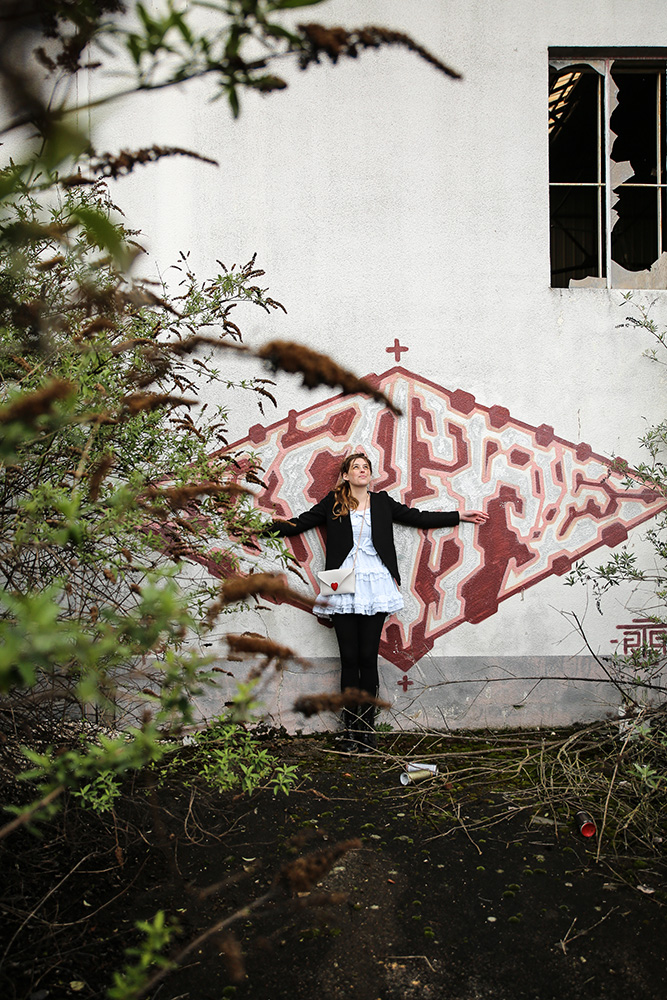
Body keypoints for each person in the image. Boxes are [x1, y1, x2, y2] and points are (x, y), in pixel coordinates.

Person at [266, 453, 488, 752]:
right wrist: (255, 528)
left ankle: (367, 729)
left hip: (377, 581)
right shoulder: (333, 502)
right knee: (349, 660)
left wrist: (458, 515)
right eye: (355, 467)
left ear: (370, 475)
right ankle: (349, 731)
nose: (361, 471)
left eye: (365, 467)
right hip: (342, 581)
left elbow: (418, 517)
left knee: (368, 658)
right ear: (345, 475)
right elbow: (297, 524)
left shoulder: (383, 502)